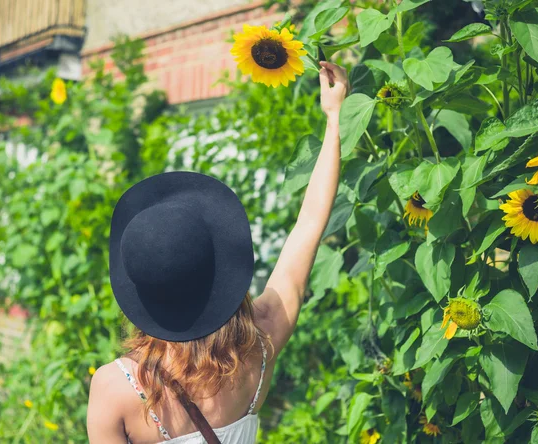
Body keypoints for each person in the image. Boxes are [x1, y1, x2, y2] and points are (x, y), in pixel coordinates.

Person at [86, 60, 348, 443]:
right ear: (219, 271)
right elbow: (309, 225)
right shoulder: (262, 340)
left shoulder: (117, 389)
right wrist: (334, 118)